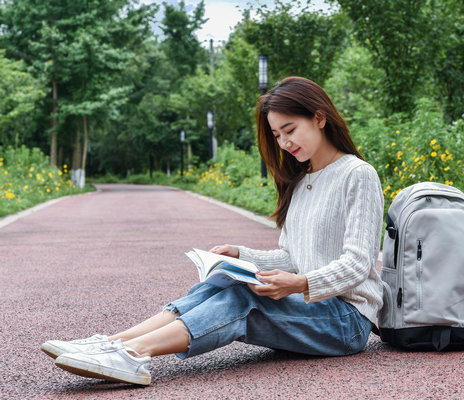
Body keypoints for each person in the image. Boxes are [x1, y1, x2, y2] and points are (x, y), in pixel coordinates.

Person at [42, 76, 384, 386]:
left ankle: (133, 355)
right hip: (310, 307)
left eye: (290, 130)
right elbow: (294, 256)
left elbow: (358, 264)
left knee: (243, 296)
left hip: (345, 320)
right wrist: (241, 254)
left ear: (320, 118)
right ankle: (114, 342)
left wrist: (299, 284)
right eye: (277, 135)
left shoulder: (358, 175)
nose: (283, 143)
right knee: (223, 278)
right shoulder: (300, 179)